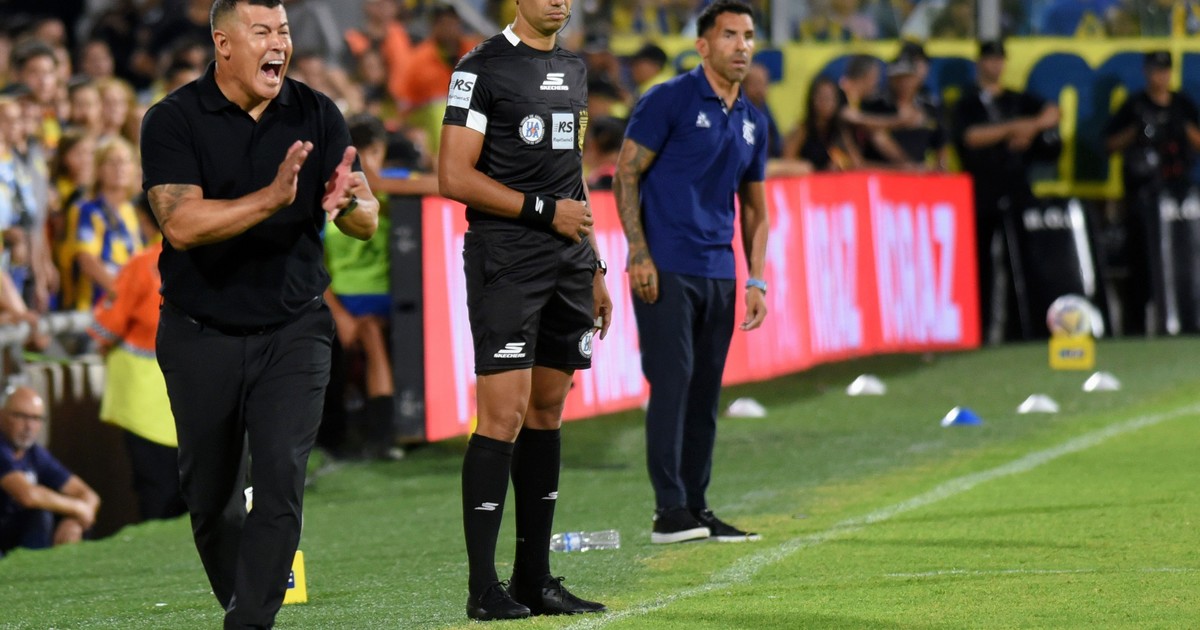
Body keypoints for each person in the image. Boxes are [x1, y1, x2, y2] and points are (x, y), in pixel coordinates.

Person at [138, 0, 379, 626]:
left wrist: (350, 206)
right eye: (263, 31)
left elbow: (364, 217)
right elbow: (181, 224)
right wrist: (271, 199)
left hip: (295, 329)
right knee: (211, 499)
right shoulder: (173, 119)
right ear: (224, 43)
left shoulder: (316, 111)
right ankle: (243, 605)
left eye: (285, 31)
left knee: (279, 475)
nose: (279, 43)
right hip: (200, 334)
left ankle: (250, 622)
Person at [439, 0, 612, 620]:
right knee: (504, 414)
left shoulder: (575, 68)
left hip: (568, 261)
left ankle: (534, 579)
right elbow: (452, 175)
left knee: (546, 410)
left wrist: (594, 264)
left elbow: (572, 175)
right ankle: (483, 589)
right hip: (508, 258)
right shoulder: (479, 68)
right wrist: (545, 213)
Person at [613, 0, 768, 545]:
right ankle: (668, 511)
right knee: (672, 384)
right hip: (667, 266)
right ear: (702, 45)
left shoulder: (753, 121)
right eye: (729, 35)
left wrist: (756, 279)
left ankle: (698, 507)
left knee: (705, 393)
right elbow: (626, 174)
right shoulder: (669, 99)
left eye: (748, 35)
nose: (741, 46)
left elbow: (756, 209)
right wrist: (638, 253)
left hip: (720, 272)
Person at [952, 40, 1060, 343]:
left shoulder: (1016, 99)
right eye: (990, 59)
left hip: (1016, 188)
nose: (995, 65)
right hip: (981, 191)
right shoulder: (967, 103)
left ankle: (1021, 328)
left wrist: (1030, 128)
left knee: (1022, 260)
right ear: (980, 63)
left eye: (999, 59)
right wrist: (1013, 129)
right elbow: (971, 137)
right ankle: (980, 329)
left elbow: (1053, 112)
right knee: (980, 264)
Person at [87, 196, 185, 522]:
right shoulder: (207, 259)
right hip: (197, 393)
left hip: (145, 403)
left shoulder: (142, 265)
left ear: (145, 219)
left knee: (156, 490)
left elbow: (105, 328)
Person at [1104, 51, 1200, 336]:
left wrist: (1181, 129)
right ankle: (1134, 329)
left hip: (1178, 196)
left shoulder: (1182, 104)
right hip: (1142, 196)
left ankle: (1186, 321)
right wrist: (1137, 131)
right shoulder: (1135, 105)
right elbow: (1107, 144)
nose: (1161, 76)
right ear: (1147, 72)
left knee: (1183, 260)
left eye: (1165, 70)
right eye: (1156, 70)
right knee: (1140, 264)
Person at [0, 386, 100, 558]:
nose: (29, 426)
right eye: (21, 416)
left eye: (36, 418)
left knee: (43, 515)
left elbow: (89, 495)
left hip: (13, 534)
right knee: (41, 512)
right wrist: (78, 509)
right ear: (2, 415)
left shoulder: (34, 453)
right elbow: (28, 495)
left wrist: (74, 521)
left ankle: (39, 567)